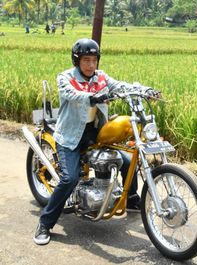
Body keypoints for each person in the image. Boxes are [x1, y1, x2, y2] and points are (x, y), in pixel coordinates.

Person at [33, 38, 160, 245]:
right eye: (86, 60)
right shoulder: (65, 77)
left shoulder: (100, 77)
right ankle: (45, 223)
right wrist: (94, 97)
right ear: (77, 60)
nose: (91, 65)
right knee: (69, 179)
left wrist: (144, 90)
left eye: (94, 60)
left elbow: (119, 85)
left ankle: (130, 199)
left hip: (95, 134)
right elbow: (71, 94)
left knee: (128, 161)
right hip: (71, 137)